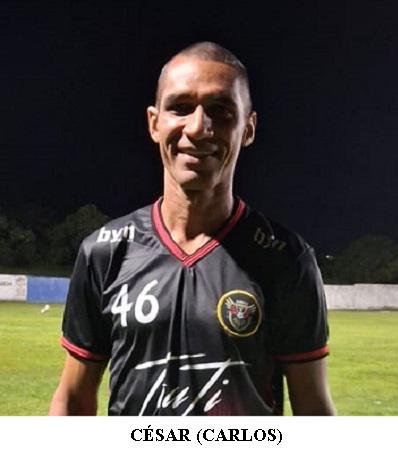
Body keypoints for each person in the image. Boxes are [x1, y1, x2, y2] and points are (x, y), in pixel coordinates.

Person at [49, 41, 335, 416]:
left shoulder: (286, 259)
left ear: (248, 129)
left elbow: (313, 408)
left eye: (221, 110)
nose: (198, 128)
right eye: (180, 107)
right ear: (154, 123)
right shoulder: (105, 252)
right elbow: (72, 397)